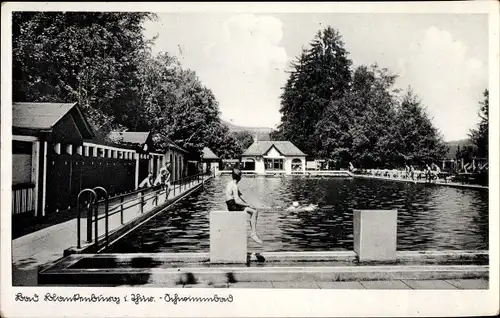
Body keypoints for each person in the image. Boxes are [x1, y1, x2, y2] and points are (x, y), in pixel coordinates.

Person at [226, 168, 263, 245]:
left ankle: (253, 232)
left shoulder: (230, 184)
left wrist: (248, 203)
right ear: (240, 177)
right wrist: (249, 205)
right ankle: (253, 233)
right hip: (233, 206)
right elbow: (237, 200)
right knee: (254, 212)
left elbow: (240, 197)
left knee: (251, 210)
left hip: (230, 205)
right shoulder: (235, 186)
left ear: (232, 176)